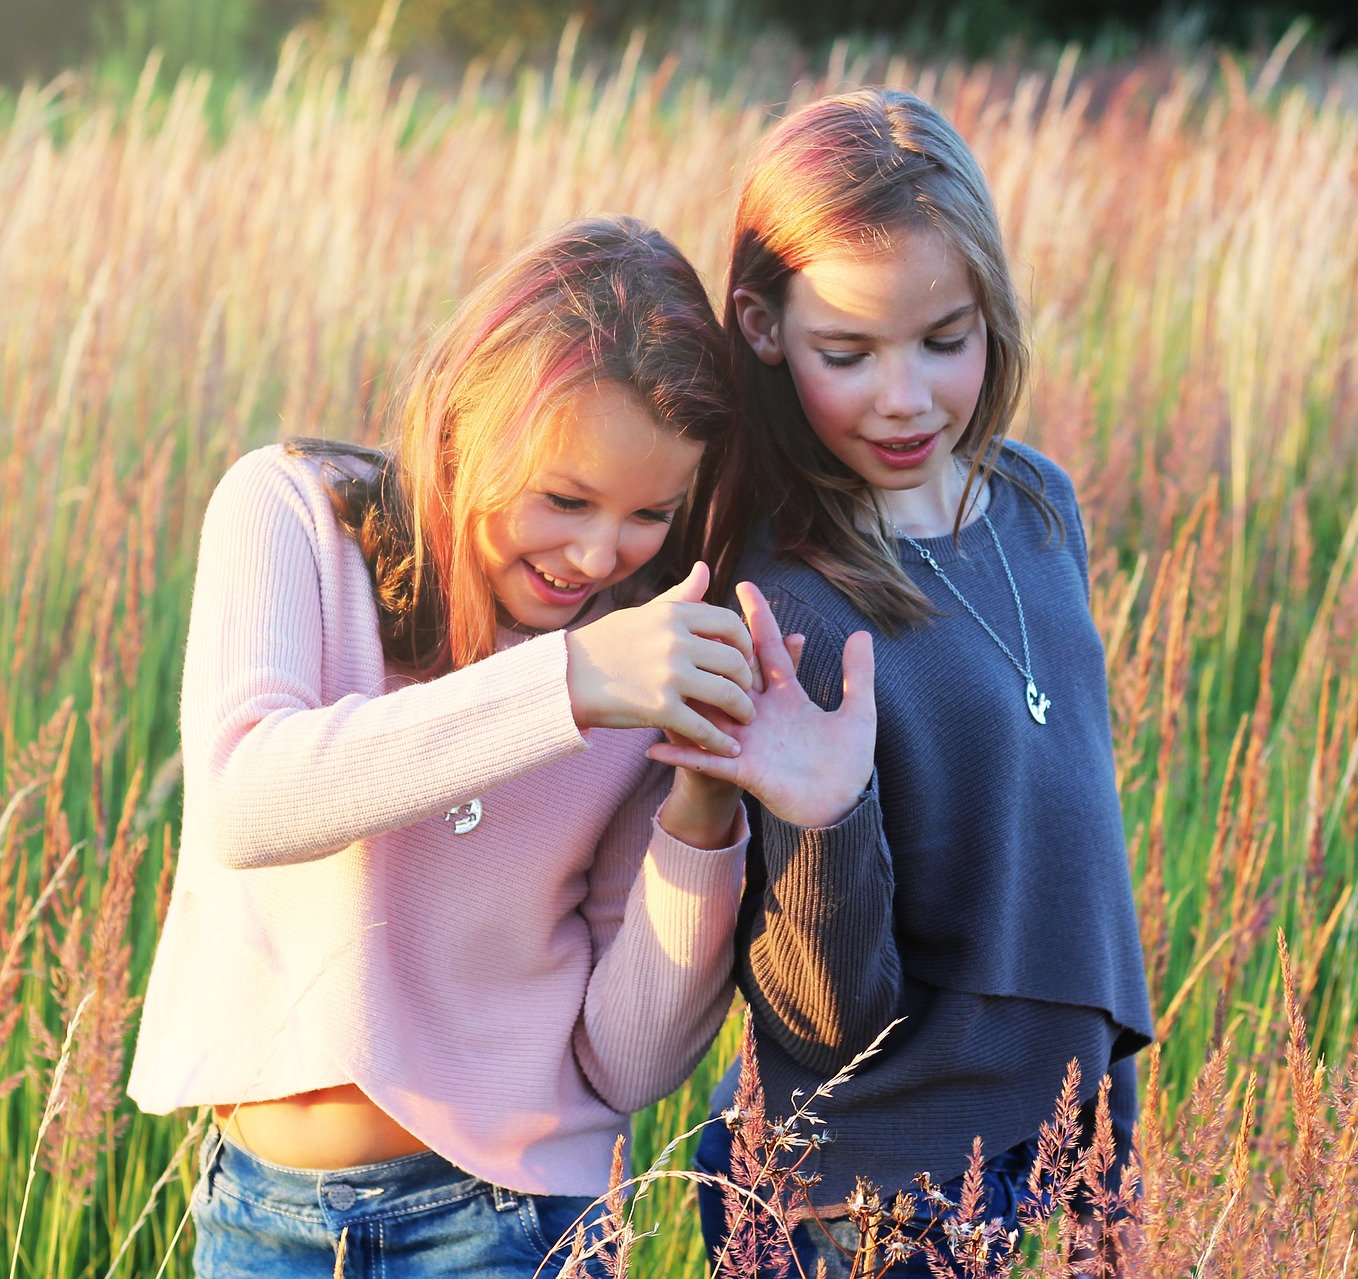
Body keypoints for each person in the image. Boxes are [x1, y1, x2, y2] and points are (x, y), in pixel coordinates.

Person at [127, 215, 872, 1278]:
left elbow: (629, 1060)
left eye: (648, 514)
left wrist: (700, 811)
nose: (594, 553)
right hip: (260, 1222)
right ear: (463, 419)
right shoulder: (290, 512)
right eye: (563, 497)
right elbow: (247, 800)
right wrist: (566, 684)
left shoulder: (644, 650)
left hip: (511, 1226)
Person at [658, 89, 1155, 1278]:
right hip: (871, 1200)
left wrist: (1115, 1146)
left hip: (1049, 1158)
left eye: (947, 338)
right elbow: (825, 1022)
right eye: (849, 353)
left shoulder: (1037, 507)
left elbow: (1079, 862)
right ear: (766, 331)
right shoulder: (795, 607)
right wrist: (822, 817)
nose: (905, 397)